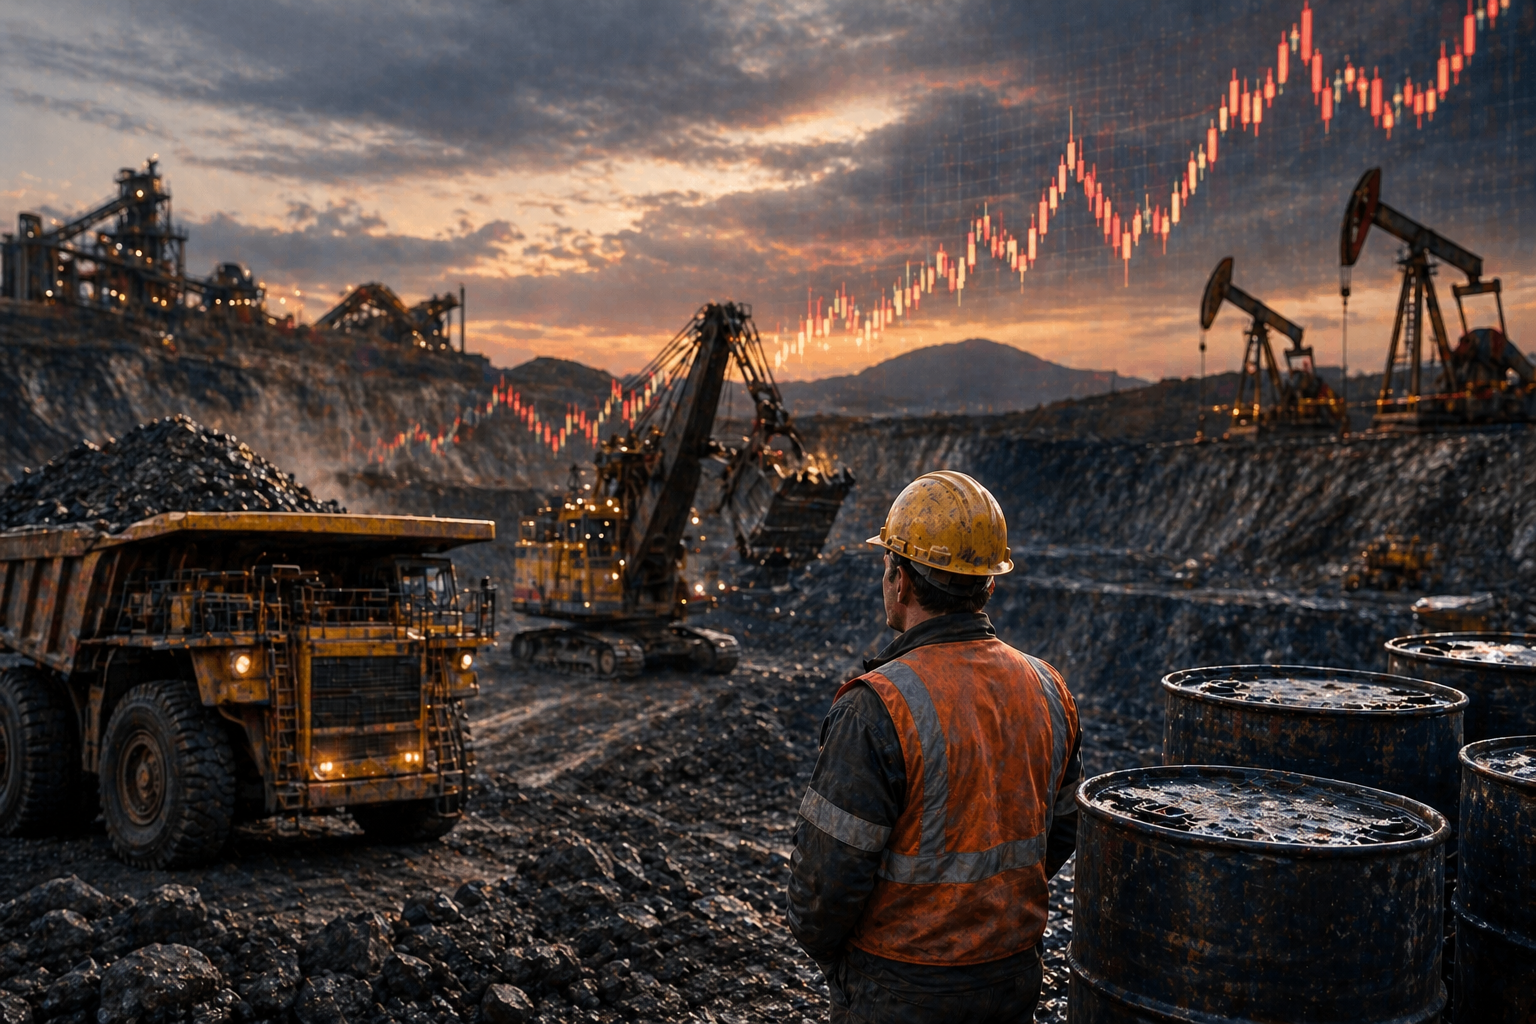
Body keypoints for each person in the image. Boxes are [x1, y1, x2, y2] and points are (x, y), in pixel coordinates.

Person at [787, 470, 1082, 1023]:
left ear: (900, 580)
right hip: (1011, 978)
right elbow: (1060, 830)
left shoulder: (876, 706)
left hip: (900, 986)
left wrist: (847, 962)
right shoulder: (1048, 687)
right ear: (987, 584)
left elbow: (824, 888)